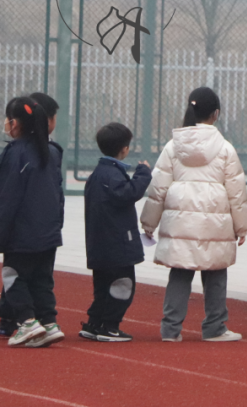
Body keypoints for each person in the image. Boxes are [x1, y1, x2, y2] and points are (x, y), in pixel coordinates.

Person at [141, 87, 247, 343]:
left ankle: (170, 329)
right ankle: (214, 327)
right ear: (216, 114)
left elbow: (158, 188)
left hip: (180, 220)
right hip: (215, 219)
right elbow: (236, 192)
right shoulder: (225, 149)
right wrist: (241, 227)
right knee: (216, 271)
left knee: (180, 272)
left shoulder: (173, 146)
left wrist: (149, 222)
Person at [0, 95, 65, 347]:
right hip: (48, 231)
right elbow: (58, 195)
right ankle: (49, 322)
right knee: (42, 279)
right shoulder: (51, 152)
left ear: (15, 123)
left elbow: (6, 198)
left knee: (13, 274)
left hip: (21, 231)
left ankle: (27, 321)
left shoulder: (15, 153)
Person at [79, 122, 152, 342]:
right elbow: (128, 194)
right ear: (124, 149)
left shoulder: (97, 174)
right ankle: (109, 326)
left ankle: (95, 323)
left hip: (99, 244)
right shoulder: (112, 175)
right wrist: (143, 174)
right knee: (123, 285)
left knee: (102, 287)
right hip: (117, 244)